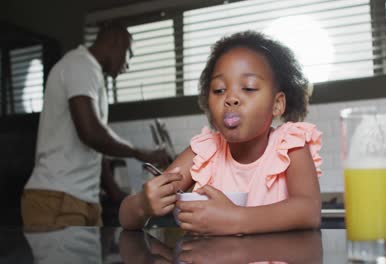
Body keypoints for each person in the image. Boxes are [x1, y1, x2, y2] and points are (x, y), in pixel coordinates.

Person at [119, 30, 323, 235]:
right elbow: (126, 217)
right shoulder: (205, 151)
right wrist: (142, 205)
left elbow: (309, 211)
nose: (231, 98)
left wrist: (236, 219)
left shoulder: (290, 145)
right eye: (219, 90)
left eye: (249, 88)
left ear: (277, 104)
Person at [22, 23, 168, 227]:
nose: (128, 65)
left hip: (81, 201)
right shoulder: (81, 64)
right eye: (129, 55)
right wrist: (140, 153)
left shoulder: (91, 74)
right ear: (116, 43)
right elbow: (91, 133)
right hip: (58, 198)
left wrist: (115, 193)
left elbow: (94, 147)